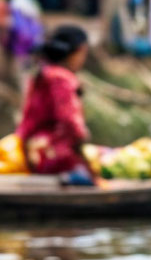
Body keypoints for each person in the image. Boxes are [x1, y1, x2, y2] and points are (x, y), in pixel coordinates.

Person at [16, 26, 96, 184]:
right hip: (52, 156)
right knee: (90, 179)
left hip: (30, 153)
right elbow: (70, 122)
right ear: (78, 51)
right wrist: (83, 139)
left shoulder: (41, 74)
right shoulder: (62, 79)